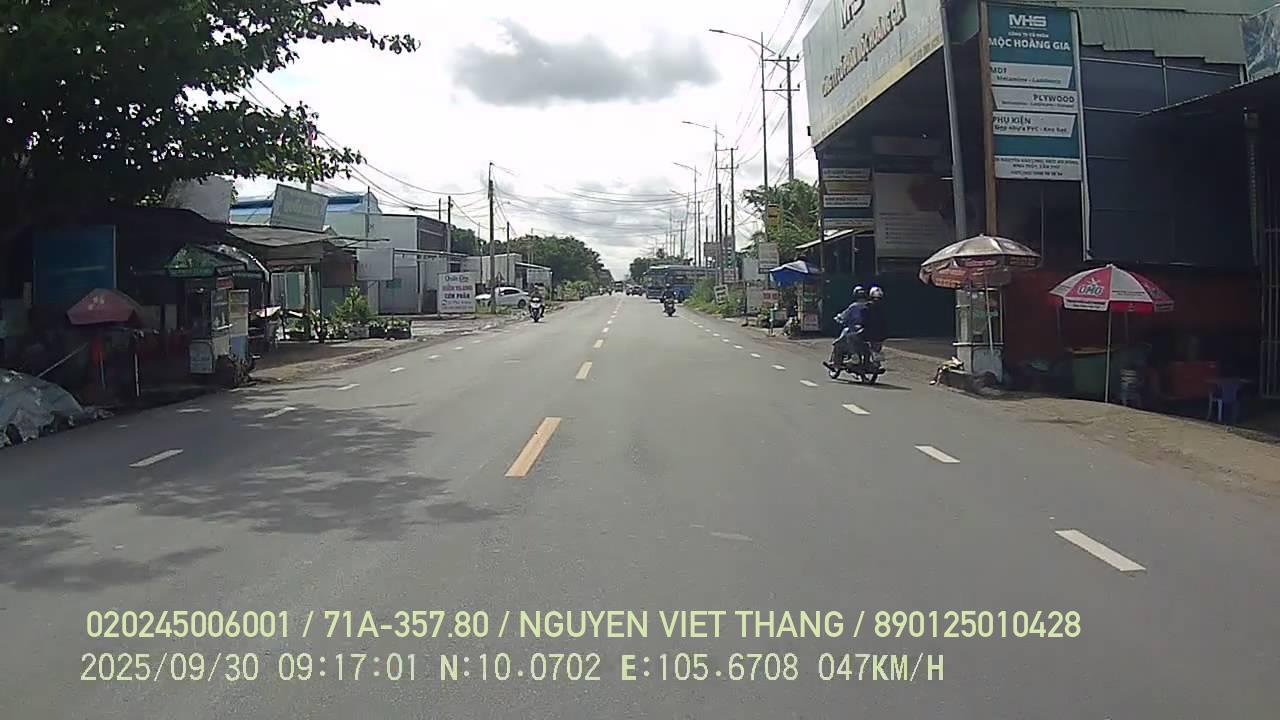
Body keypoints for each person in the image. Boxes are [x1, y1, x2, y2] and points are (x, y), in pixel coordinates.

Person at [826, 286, 869, 370]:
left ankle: (837, 363)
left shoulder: (853, 306)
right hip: (867, 331)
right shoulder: (869, 305)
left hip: (854, 330)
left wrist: (838, 318)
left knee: (838, 343)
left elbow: (844, 316)